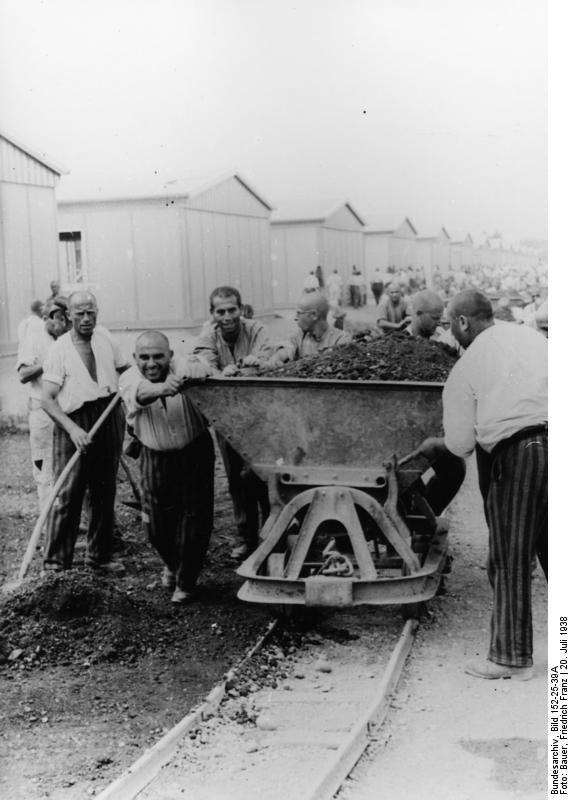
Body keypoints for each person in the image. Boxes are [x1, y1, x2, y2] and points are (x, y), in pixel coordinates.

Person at [409, 290, 547, 680]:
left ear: (463, 323)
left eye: (450, 324)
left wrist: (434, 444)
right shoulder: (531, 337)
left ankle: (510, 658)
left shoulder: (467, 367)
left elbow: (461, 446)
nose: (450, 332)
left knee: (510, 554)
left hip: (523, 452)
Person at [120, 330, 214, 604]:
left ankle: (186, 581)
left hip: (194, 451)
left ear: (169, 355)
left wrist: (197, 368)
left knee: (195, 519)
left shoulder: (181, 365)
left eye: (158, 356)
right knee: (157, 526)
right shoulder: (129, 379)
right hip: (155, 455)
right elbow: (142, 392)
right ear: (135, 358)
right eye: (145, 357)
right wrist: (166, 387)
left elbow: (198, 365)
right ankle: (173, 565)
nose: (151, 363)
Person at [41, 290, 130, 574]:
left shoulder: (105, 338)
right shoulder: (60, 348)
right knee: (68, 494)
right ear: (68, 315)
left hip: (107, 413)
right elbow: (47, 399)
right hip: (74, 420)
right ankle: (56, 565)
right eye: (79, 313)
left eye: (91, 312)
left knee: (104, 490)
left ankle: (99, 556)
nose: (86, 318)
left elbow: (124, 369)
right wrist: (73, 429)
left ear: (97, 312)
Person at [192, 286, 272, 560]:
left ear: (241, 308)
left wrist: (255, 362)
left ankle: (273, 533)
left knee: (263, 475)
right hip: (227, 418)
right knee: (237, 481)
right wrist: (218, 372)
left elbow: (269, 357)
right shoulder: (208, 336)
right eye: (220, 311)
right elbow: (203, 364)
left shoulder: (256, 329)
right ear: (212, 314)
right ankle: (247, 538)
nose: (227, 316)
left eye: (232, 310)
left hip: (260, 417)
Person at [16, 297, 69, 510]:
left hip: (67, 410)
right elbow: (23, 374)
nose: (61, 324)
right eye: (55, 318)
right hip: (42, 412)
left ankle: (67, 520)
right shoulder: (34, 338)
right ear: (46, 318)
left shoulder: (69, 338)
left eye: (65, 320)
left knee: (68, 466)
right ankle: (48, 527)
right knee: (45, 466)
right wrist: (47, 362)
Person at [271, 292, 351, 364]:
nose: (295, 318)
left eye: (299, 313)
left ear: (314, 315)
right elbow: (287, 348)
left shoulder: (340, 339)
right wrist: (277, 358)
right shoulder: (300, 334)